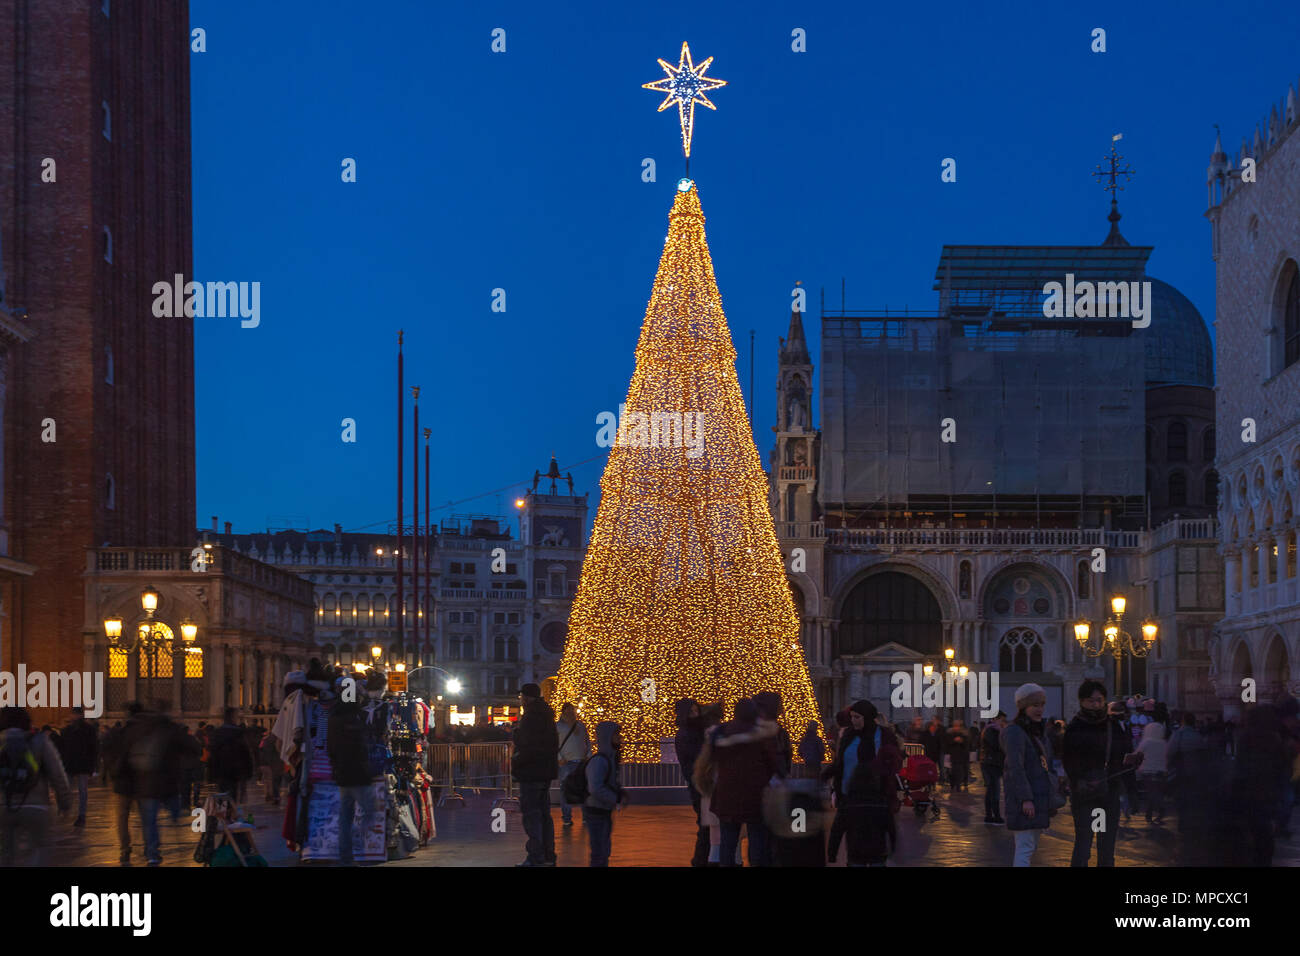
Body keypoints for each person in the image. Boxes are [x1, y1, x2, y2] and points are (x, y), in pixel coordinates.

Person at [1062, 681, 1141, 867]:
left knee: (1106, 847)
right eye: (1091, 701)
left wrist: (1132, 790)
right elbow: (1068, 760)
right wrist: (1080, 779)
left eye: (1099, 700)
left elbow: (1125, 758)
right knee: (1084, 845)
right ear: (1082, 701)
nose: (1096, 705)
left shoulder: (1112, 726)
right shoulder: (1075, 727)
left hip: (1109, 793)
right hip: (1085, 795)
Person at [825, 700, 901, 866]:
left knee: (875, 837)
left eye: (857, 717)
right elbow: (840, 763)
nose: (854, 721)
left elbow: (894, 761)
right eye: (852, 717)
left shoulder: (884, 735)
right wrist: (827, 775)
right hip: (849, 795)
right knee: (853, 836)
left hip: (877, 795)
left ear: (867, 717)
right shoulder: (848, 735)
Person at [112, 701, 188, 866]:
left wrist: (115, 775)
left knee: (127, 818)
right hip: (145, 781)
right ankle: (151, 851)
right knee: (148, 819)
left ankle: (128, 849)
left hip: (130, 783)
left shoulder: (127, 731)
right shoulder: (158, 729)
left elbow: (119, 756)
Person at [710, 698, 778, 867]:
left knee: (728, 840)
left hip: (727, 793)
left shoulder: (722, 732)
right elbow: (772, 763)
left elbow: (713, 756)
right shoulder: (761, 734)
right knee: (757, 840)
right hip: (754, 794)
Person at [0, 707, 72, 866]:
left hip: (3, 806)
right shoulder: (39, 740)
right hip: (36, 805)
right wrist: (64, 803)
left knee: (5, 853)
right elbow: (57, 774)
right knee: (41, 848)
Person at [1002, 683, 1056, 866]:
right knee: (1025, 847)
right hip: (1026, 799)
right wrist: (1026, 798)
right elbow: (1015, 767)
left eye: (1042, 704)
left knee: (1030, 846)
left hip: (1039, 796)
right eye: (1035, 705)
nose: (1039, 709)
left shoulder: (1038, 731)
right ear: (1023, 707)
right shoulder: (1015, 732)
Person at [327, 681, 377, 867]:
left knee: (345, 817)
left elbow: (331, 747)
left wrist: (335, 766)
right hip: (358, 774)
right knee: (370, 811)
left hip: (342, 774)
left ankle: (346, 855)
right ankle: (359, 844)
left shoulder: (334, 718)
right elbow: (360, 748)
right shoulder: (354, 719)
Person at [511, 683, 558, 867]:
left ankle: (536, 857)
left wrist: (516, 764)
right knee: (545, 815)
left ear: (527, 697)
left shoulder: (531, 716)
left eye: (522, 697)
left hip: (532, 772)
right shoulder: (547, 714)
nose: (521, 700)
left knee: (532, 816)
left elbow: (527, 745)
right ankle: (548, 855)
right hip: (545, 772)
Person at [584, 720, 626, 866]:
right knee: (599, 851)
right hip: (597, 810)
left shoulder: (610, 758)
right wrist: (614, 798)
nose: (620, 738)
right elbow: (595, 788)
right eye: (616, 735)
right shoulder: (600, 761)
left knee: (603, 849)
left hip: (603, 810)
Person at [673, 698, 709, 865]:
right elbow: (694, 759)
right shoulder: (688, 734)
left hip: (701, 784)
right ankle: (701, 859)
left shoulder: (695, 731)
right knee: (705, 825)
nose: (696, 714)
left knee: (706, 825)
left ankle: (703, 858)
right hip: (699, 785)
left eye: (697, 710)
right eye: (692, 712)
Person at [691, 703, 729, 865]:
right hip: (720, 799)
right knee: (722, 841)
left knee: (715, 841)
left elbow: (699, 775)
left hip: (712, 799)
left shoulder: (706, 747)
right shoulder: (716, 741)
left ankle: (703, 861)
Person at [58, 706, 98, 827]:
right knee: (75, 790)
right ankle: (71, 811)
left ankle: (79, 814)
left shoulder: (71, 731)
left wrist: (93, 767)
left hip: (78, 764)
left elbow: (93, 749)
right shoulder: (68, 731)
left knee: (81, 791)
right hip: (75, 764)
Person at [556, 702, 590, 828]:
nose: (571, 712)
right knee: (566, 791)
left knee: (583, 790)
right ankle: (567, 817)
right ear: (563, 711)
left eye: (572, 710)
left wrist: (588, 754)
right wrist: (559, 758)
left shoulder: (580, 725)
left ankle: (585, 816)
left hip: (581, 761)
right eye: (569, 710)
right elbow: (554, 743)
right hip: (566, 762)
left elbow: (587, 740)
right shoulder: (558, 727)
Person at [209, 708, 255, 800]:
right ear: (233, 717)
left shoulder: (218, 733)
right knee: (233, 795)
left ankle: (226, 811)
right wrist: (248, 772)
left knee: (223, 795)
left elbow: (213, 754)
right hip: (235, 770)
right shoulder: (239, 733)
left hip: (221, 770)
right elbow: (246, 754)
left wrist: (211, 773)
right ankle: (231, 811)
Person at [1136, 721, 1169, 824]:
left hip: (1147, 771)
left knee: (1151, 793)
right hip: (1161, 772)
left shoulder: (1146, 742)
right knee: (1158, 792)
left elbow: (1137, 755)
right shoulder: (1164, 743)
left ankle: (1151, 813)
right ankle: (1157, 811)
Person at [979, 712, 1007, 825]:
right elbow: (997, 746)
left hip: (992, 762)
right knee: (994, 790)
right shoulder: (991, 730)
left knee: (992, 789)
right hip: (991, 763)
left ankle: (990, 816)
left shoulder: (993, 730)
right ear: (995, 719)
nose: (1003, 723)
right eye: (1002, 720)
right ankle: (994, 816)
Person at [947, 718, 971, 792]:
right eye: (955, 725)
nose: (956, 727)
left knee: (962, 771)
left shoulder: (965, 733)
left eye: (958, 725)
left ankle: (960, 784)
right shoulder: (950, 733)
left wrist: (962, 741)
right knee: (953, 771)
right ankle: (954, 784)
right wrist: (954, 741)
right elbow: (947, 743)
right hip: (953, 755)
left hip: (963, 755)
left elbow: (968, 744)